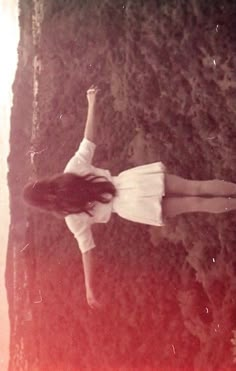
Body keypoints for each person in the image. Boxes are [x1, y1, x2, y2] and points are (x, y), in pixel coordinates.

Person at [23, 85, 236, 309]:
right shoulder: (72, 170)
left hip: (131, 207)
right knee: (197, 188)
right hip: (131, 181)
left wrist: (89, 287)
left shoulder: (72, 219)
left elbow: (87, 251)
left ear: (43, 205)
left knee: (195, 204)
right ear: (43, 182)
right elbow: (88, 139)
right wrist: (92, 103)